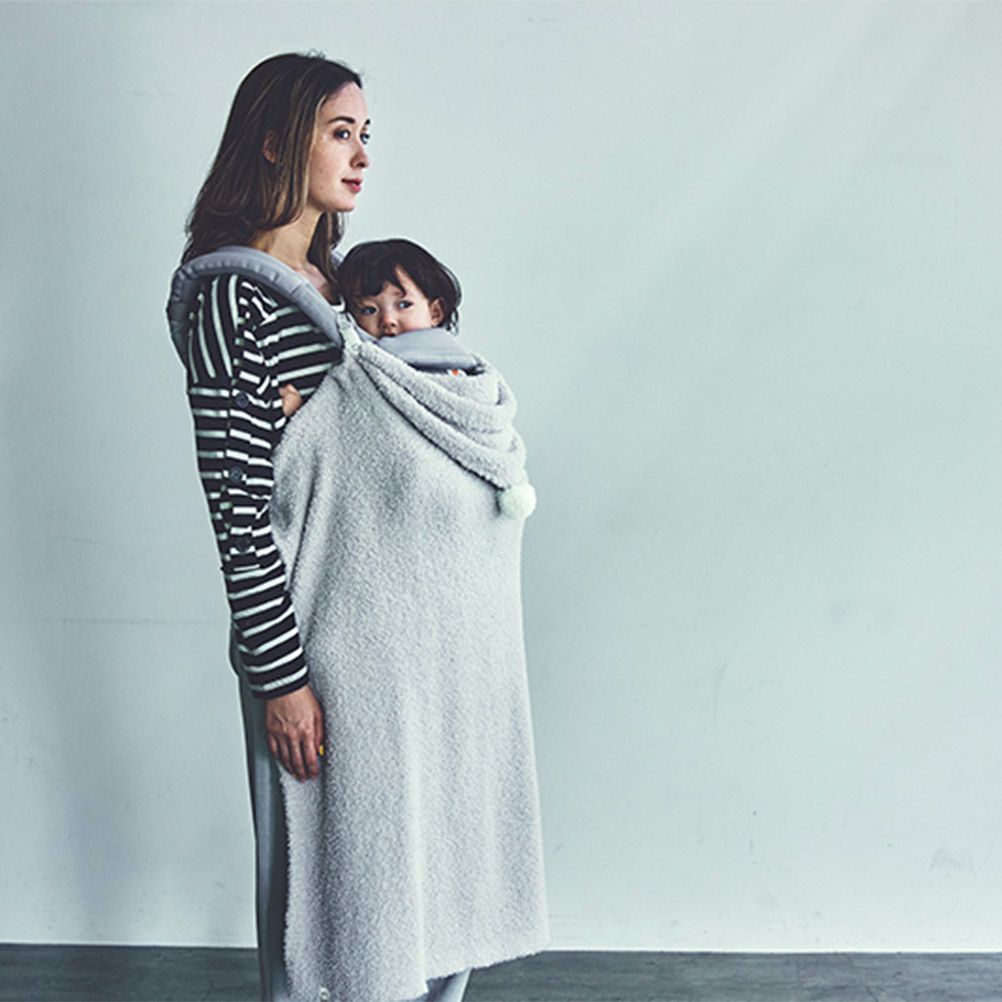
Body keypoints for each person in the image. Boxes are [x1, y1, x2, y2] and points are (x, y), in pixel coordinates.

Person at [171, 51, 550, 1002]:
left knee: (433, 889)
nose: (363, 155)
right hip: (329, 648)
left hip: (430, 651)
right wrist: (281, 678)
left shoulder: (344, 289)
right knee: (330, 915)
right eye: (341, 133)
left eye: (365, 135)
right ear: (275, 143)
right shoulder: (233, 296)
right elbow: (238, 501)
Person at [280, 237, 467, 418]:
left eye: (403, 305)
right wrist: (301, 410)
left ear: (435, 313)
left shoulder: (452, 365)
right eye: (369, 310)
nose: (387, 320)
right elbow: (347, 418)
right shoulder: (357, 366)